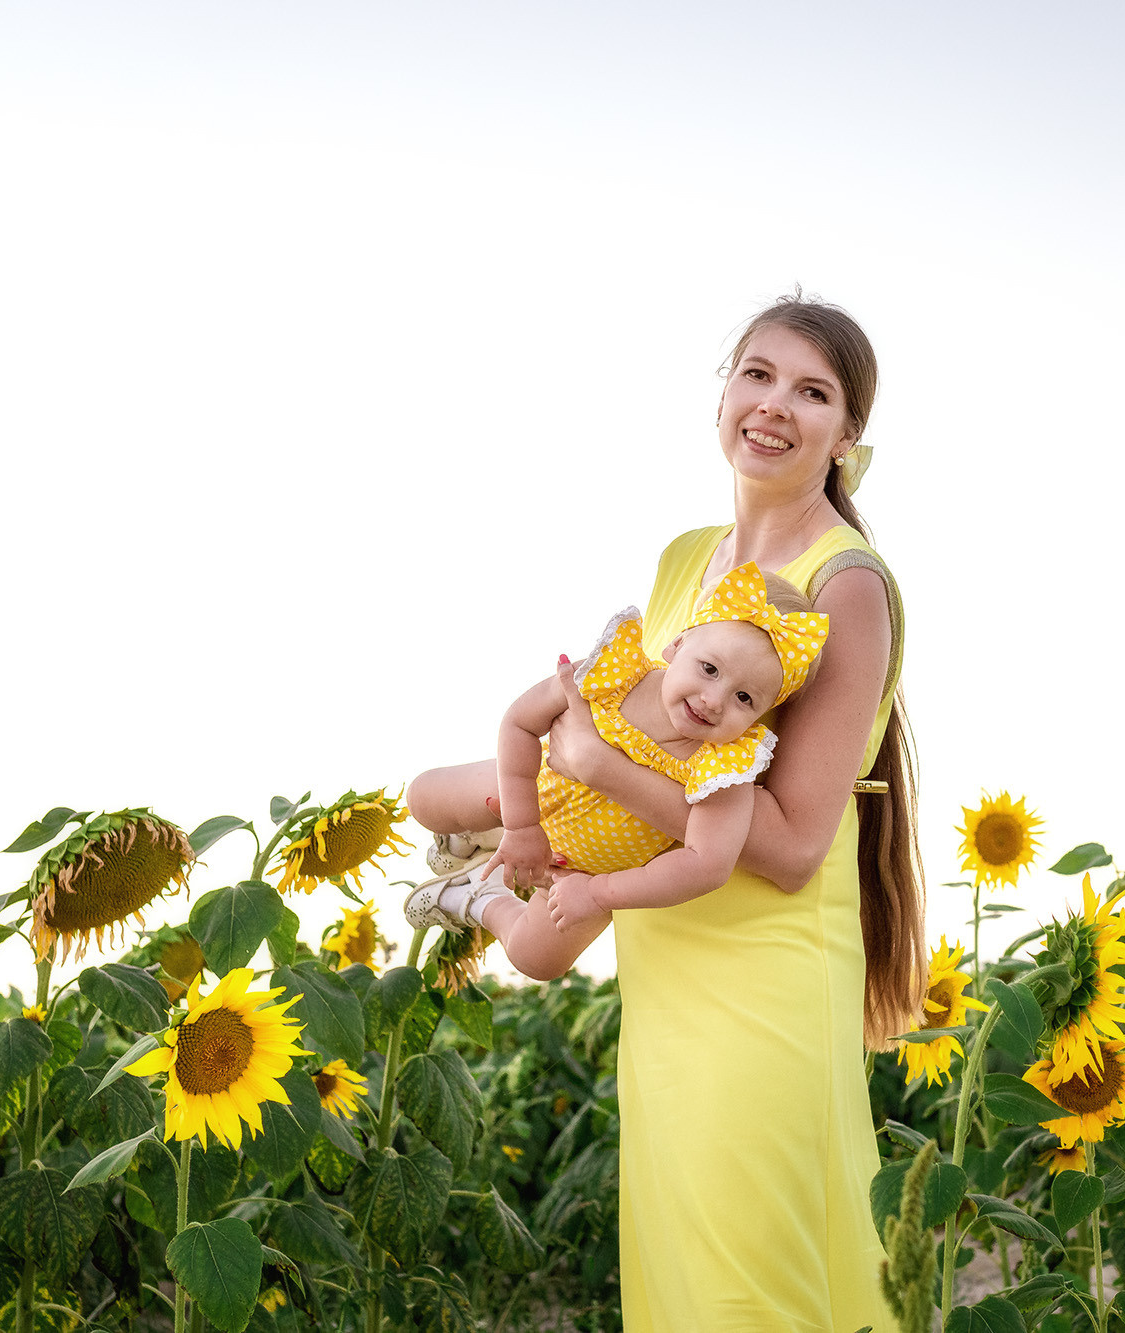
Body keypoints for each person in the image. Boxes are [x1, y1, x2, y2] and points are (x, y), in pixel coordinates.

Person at [542, 294, 924, 1331]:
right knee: (681, 1287)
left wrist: (596, 767)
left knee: (746, 1293)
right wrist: (527, 811)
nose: (772, 406)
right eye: (754, 374)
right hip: (666, 968)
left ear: (847, 438)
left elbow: (796, 843)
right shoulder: (682, 558)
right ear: (723, 389)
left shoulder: (845, 586)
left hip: (762, 985)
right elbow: (640, 747)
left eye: (811, 392)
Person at [402, 562, 830, 980]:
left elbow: (707, 865)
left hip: (586, 872)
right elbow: (520, 721)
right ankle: (485, 836)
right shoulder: (613, 675)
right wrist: (521, 825)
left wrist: (596, 893)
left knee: (536, 960)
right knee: (423, 798)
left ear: (763, 714)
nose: (714, 700)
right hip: (532, 794)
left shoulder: (726, 768)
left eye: (744, 697)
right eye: (709, 669)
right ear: (677, 645)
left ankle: (476, 897)